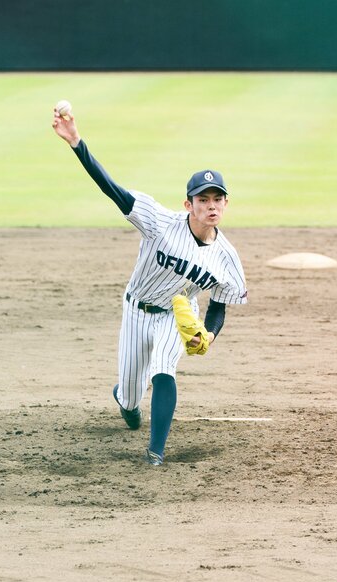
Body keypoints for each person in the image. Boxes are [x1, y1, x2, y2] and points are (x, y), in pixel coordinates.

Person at [52, 103, 247, 466]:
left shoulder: (227, 257)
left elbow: (219, 304)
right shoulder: (159, 221)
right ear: (188, 204)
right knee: (129, 396)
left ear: (225, 203)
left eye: (217, 199)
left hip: (176, 315)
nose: (211, 206)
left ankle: (155, 452)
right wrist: (77, 143)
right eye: (203, 199)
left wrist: (209, 334)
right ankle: (126, 402)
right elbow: (112, 190)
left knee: (163, 368)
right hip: (136, 309)